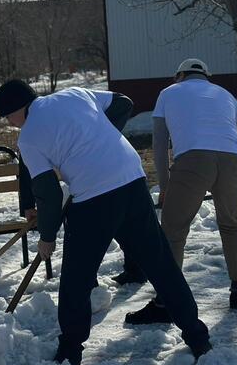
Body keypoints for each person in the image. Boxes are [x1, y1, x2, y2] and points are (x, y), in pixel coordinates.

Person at [0, 79, 211, 365]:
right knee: (160, 263)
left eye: (9, 117)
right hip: (132, 179)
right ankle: (197, 337)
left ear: (18, 109)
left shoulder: (29, 137)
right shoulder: (74, 94)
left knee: (77, 278)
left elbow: (48, 193)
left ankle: (69, 351)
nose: (11, 124)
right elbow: (123, 103)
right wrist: (99, 139)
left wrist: (47, 237)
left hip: (93, 197)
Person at [126, 59, 237, 324]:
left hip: (193, 160)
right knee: (231, 225)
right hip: (231, 161)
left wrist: (165, 185)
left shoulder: (168, 93)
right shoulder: (224, 94)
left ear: (180, 75)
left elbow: (160, 143)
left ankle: (164, 302)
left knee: (173, 230)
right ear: (206, 75)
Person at [18, 89, 147, 285]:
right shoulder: (33, 132)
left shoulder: (64, 111)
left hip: (97, 183)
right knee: (114, 227)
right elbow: (28, 170)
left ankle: (103, 278)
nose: (10, 123)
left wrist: (102, 136)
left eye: (9, 116)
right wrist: (28, 205)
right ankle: (91, 280)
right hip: (84, 184)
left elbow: (123, 103)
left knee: (96, 233)